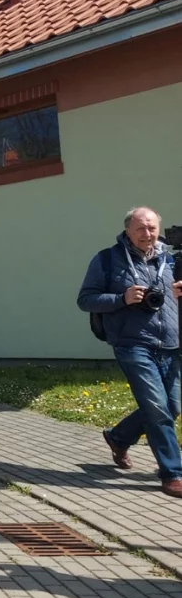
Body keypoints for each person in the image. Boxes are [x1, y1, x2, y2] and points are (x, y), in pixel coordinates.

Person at [78, 207, 182, 497]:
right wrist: (121, 298)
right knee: (158, 409)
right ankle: (172, 473)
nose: (147, 234)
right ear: (127, 231)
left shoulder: (172, 260)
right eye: (140, 229)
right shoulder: (108, 260)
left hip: (170, 345)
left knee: (171, 407)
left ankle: (118, 437)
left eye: (151, 228)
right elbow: (86, 299)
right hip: (132, 344)